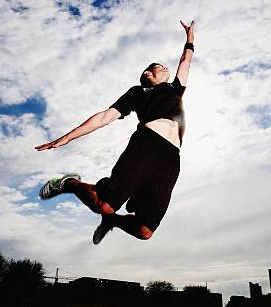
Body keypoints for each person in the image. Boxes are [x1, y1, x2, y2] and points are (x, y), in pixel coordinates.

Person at [35, 20, 195, 244]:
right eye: (160, 66)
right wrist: (67, 137)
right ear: (149, 73)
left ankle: (111, 221)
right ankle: (69, 183)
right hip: (146, 144)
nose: (166, 68)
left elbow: (185, 61)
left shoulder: (174, 89)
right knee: (104, 204)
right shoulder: (138, 92)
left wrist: (190, 39)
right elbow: (104, 117)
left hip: (171, 158)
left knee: (144, 231)